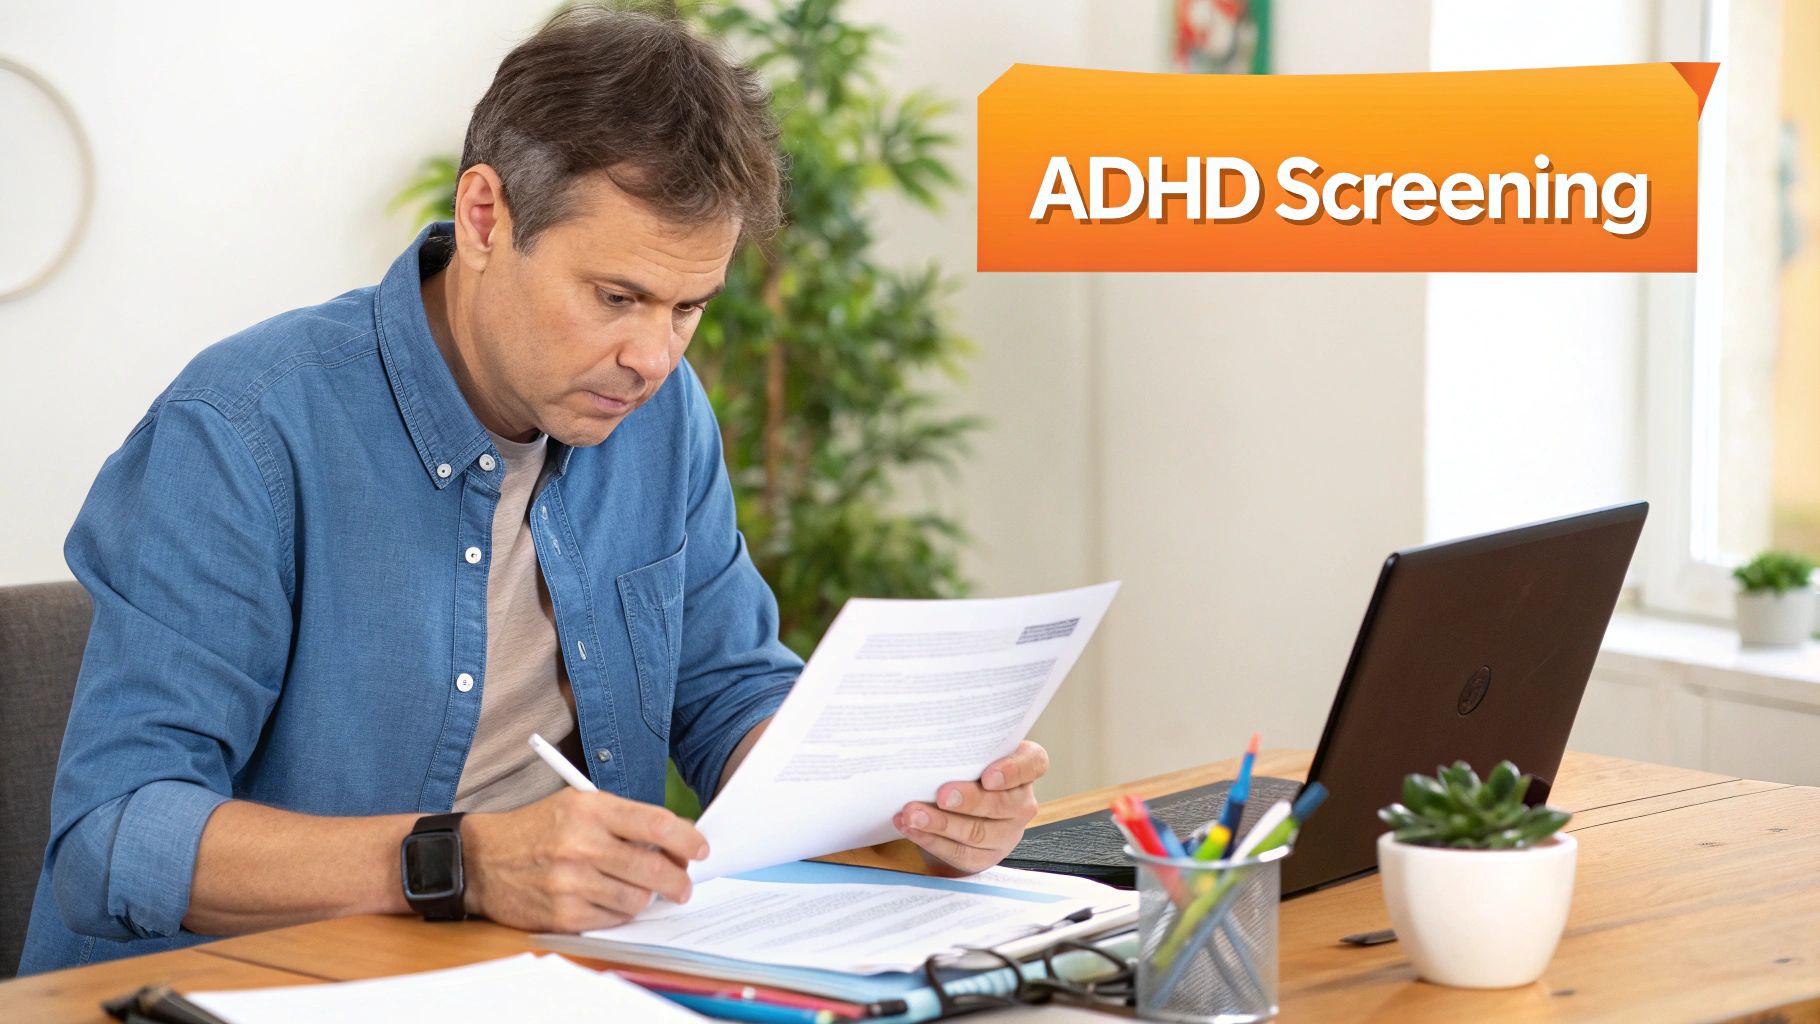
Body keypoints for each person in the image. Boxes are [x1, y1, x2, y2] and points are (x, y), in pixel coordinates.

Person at [18, 7, 1047, 975]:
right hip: (255, 990)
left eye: (688, 306)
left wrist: (902, 800)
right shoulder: (243, 431)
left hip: (550, 976)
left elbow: (729, 687)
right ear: (483, 216)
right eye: (615, 296)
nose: (651, 356)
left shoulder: (663, 415)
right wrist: (459, 862)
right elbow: (114, 834)